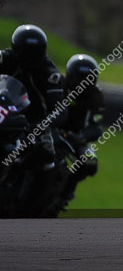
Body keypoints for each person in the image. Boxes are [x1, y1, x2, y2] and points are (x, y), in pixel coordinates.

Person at [0, 25, 63, 169]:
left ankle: (40, 190)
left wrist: (40, 126)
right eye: (25, 52)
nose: (29, 58)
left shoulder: (50, 74)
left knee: (47, 159)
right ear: (16, 49)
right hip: (7, 111)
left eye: (34, 53)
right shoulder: (6, 58)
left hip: (35, 122)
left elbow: (59, 110)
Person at [61, 54, 104, 200]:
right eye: (79, 78)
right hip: (51, 129)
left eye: (87, 79)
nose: (82, 84)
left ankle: (65, 193)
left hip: (77, 136)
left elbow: (97, 127)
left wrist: (82, 136)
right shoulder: (58, 86)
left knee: (91, 163)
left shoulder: (97, 96)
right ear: (70, 77)